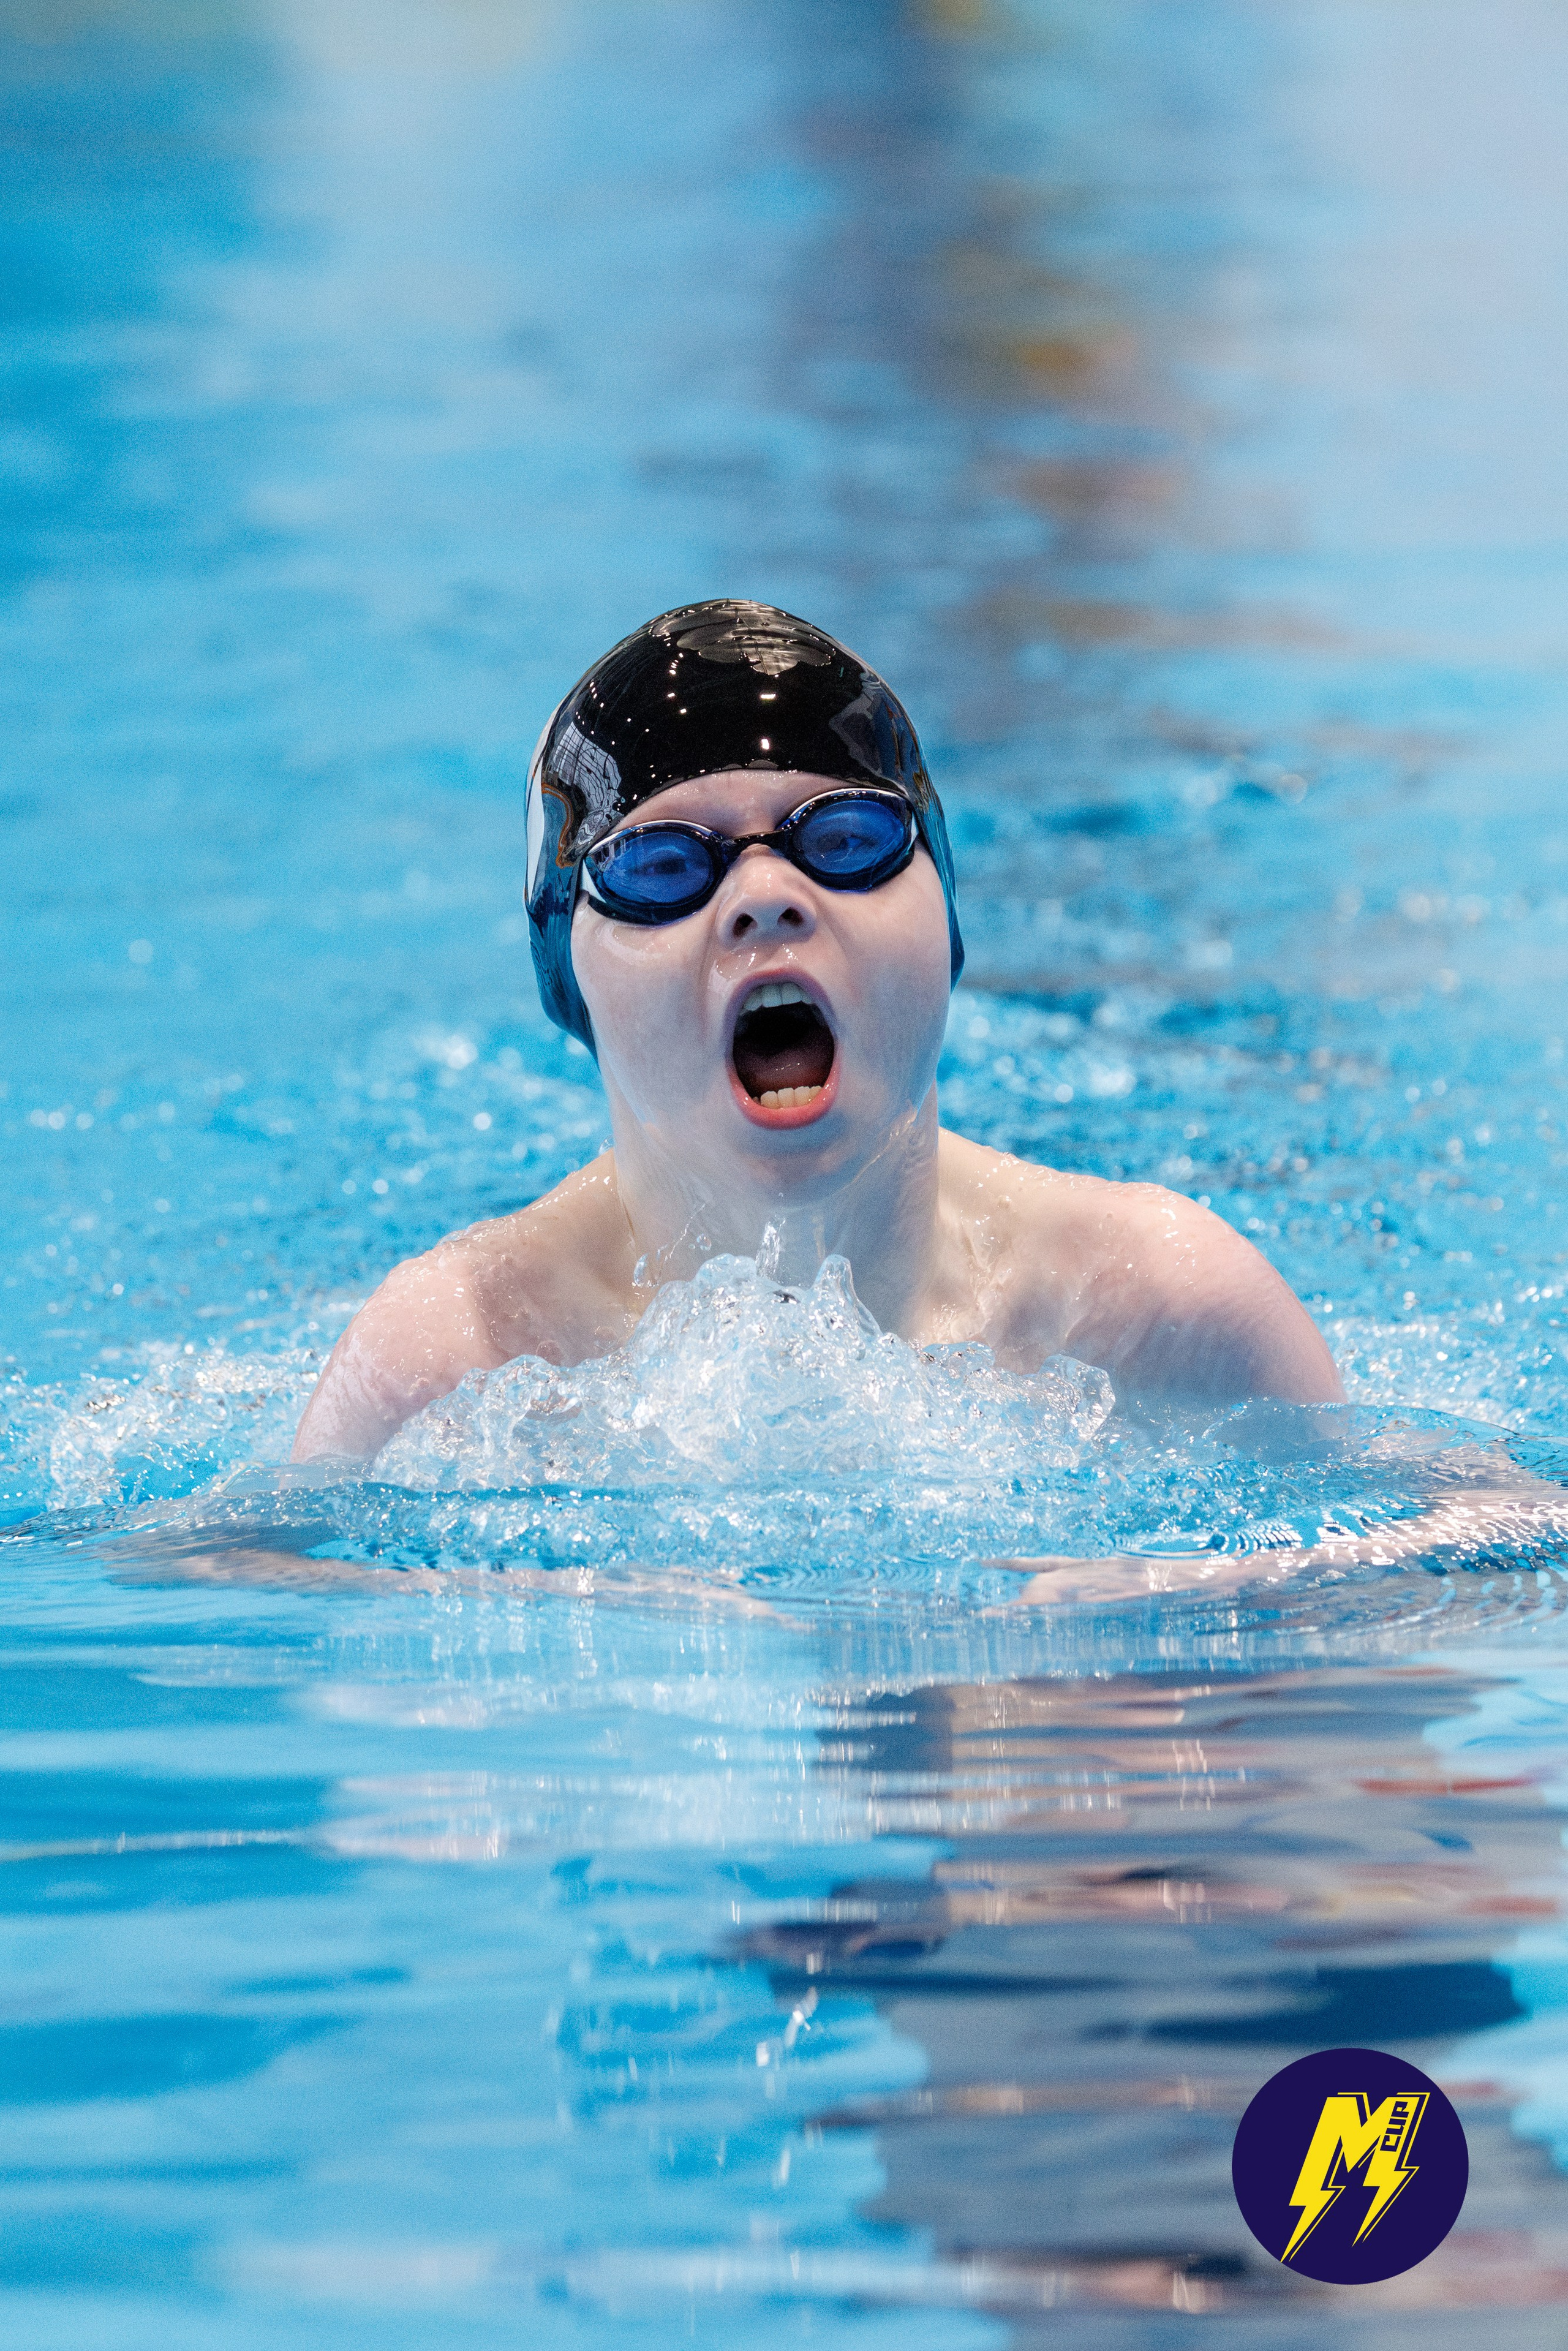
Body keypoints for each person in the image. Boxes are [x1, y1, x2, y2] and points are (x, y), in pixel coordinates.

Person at [292, 600, 1341, 1462]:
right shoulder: (456, 1362)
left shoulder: (1160, 1311)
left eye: (845, 839)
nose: (763, 897)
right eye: (663, 867)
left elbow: (1416, 1583)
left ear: (947, 924)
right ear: (570, 980)